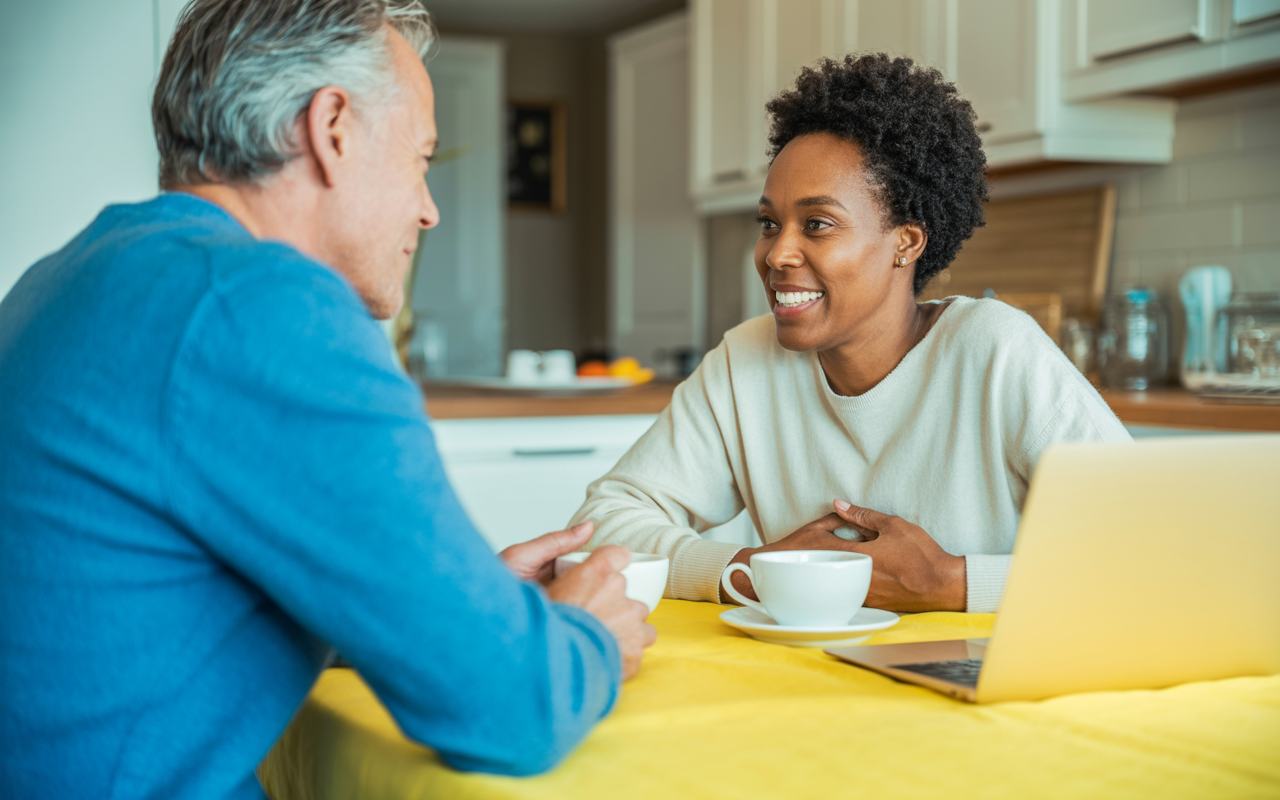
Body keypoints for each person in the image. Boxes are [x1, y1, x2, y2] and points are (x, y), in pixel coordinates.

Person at [0, 1, 654, 797]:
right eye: (421, 159)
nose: (429, 208)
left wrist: (453, 598)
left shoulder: (68, 276)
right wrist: (584, 632)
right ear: (333, 127)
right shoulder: (262, 305)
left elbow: (148, 611)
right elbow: (513, 709)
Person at [570, 54, 1130, 615]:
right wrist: (751, 571)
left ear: (905, 243)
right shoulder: (745, 360)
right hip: (808, 677)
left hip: (980, 682)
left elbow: (1147, 550)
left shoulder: (995, 349)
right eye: (769, 224)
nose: (777, 254)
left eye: (817, 224)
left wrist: (950, 584)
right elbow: (600, 525)